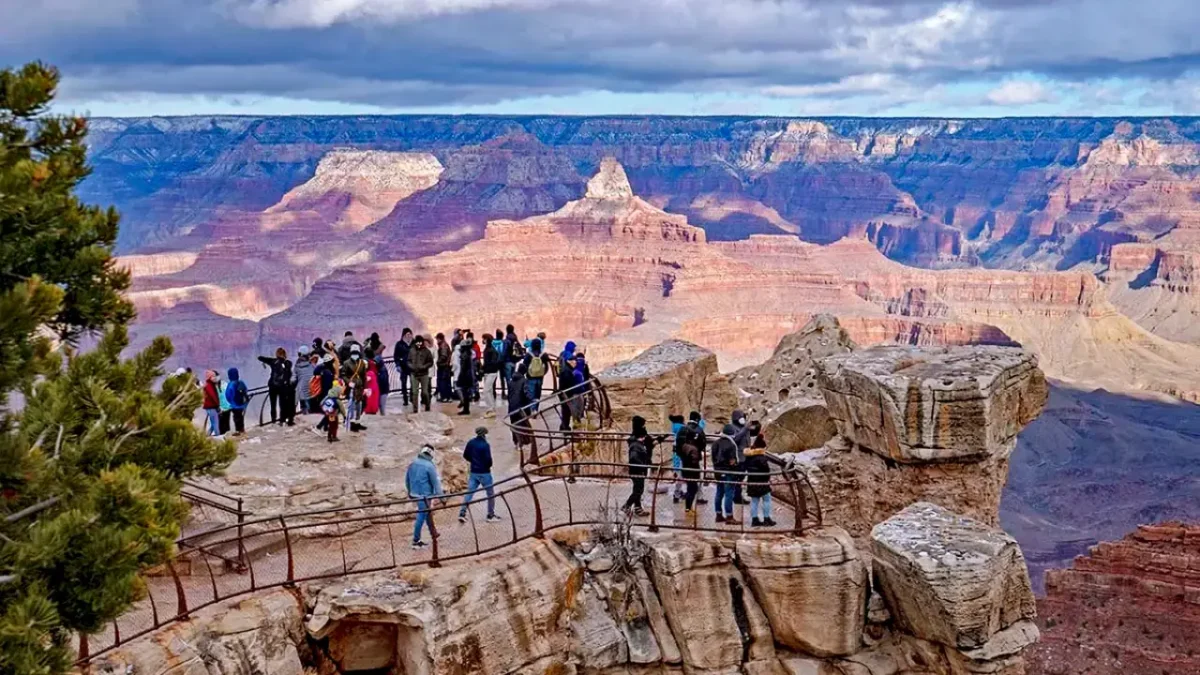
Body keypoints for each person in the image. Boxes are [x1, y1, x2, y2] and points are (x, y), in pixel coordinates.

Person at [458, 427, 501, 523]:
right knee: (490, 494)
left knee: (469, 493)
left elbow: (465, 455)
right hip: (485, 473)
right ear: (484, 434)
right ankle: (490, 515)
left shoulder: (471, 442)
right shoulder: (485, 445)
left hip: (474, 472)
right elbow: (489, 460)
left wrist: (473, 462)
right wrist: (487, 466)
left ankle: (462, 513)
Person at [405, 445, 445, 549]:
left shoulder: (413, 463)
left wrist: (410, 492)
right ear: (431, 454)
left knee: (427, 513)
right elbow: (436, 484)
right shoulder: (430, 466)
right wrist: (443, 498)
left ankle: (433, 533)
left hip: (414, 494)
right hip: (425, 496)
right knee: (421, 516)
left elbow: (407, 480)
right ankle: (416, 540)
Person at [743, 422, 775, 527]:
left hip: (752, 481)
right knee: (766, 499)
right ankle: (766, 519)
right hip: (762, 482)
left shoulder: (749, 456)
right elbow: (766, 470)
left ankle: (754, 519)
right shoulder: (762, 458)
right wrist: (768, 478)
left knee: (754, 501)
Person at [674, 413, 707, 515]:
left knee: (690, 485)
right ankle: (688, 508)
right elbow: (703, 444)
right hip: (694, 462)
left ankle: (688, 507)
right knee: (693, 487)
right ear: (697, 419)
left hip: (684, 461)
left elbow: (678, 447)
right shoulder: (698, 430)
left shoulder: (682, 429)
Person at [623, 416, 654, 517]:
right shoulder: (636, 444)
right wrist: (641, 465)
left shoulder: (637, 440)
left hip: (639, 469)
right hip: (638, 470)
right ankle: (627, 505)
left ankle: (638, 508)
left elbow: (649, 443)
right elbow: (634, 457)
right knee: (638, 490)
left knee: (638, 489)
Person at [711, 424, 741, 524]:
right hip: (729, 472)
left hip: (718, 472)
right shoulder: (731, 445)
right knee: (729, 494)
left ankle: (718, 514)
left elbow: (713, 458)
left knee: (719, 493)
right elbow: (732, 461)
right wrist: (737, 467)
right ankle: (729, 516)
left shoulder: (715, 443)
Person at [258, 347, 295, 426]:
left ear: (277, 354)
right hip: (283, 387)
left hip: (272, 386)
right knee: (282, 404)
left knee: (273, 404)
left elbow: (260, 358)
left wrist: (263, 361)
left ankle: (273, 420)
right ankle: (282, 420)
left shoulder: (273, 361)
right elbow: (289, 373)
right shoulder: (288, 363)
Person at [508, 365, 533, 449]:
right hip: (521, 407)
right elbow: (526, 394)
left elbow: (509, 395)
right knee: (523, 424)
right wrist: (532, 400)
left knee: (514, 424)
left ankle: (516, 442)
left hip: (512, 407)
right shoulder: (524, 381)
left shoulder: (511, 381)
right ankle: (522, 442)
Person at [522, 338, 551, 409]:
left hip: (531, 377)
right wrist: (543, 373)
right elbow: (547, 365)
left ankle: (532, 409)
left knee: (531, 394)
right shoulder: (543, 355)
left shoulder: (529, 355)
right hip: (540, 377)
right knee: (538, 394)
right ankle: (536, 409)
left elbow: (524, 365)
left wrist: (526, 374)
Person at [409, 335, 435, 412]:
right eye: (417, 342)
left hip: (424, 374)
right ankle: (415, 409)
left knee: (425, 392)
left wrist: (424, 366)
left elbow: (430, 362)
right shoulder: (412, 351)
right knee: (414, 392)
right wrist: (412, 366)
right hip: (414, 373)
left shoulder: (427, 351)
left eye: (420, 342)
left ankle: (427, 405)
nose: (419, 344)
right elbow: (408, 361)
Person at [481, 333, 502, 418]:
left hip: (491, 372)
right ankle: (492, 408)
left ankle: (490, 408)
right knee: (489, 391)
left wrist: (484, 367)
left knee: (486, 391)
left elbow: (492, 362)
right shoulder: (489, 349)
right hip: (488, 372)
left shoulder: (491, 350)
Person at [557, 353, 579, 431]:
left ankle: (564, 426)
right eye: (574, 361)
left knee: (566, 411)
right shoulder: (567, 371)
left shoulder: (567, 369)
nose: (575, 362)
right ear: (569, 361)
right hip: (565, 394)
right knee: (566, 411)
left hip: (564, 394)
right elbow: (567, 385)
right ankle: (565, 427)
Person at [224, 367, 249, 436]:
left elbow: (228, 395)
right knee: (240, 417)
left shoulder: (231, 384)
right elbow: (246, 391)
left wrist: (230, 402)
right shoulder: (241, 382)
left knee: (236, 418)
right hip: (242, 404)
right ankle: (242, 429)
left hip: (234, 405)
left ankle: (238, 430)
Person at [322, 377, 347, 443]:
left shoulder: (329, 396)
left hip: (328, 413)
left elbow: (322, 403)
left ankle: (329, 436)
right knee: (335, 426)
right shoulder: (337, 400)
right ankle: (334, 437)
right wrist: (344, 415)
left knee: (330, 425)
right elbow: (342, 409)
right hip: (334, 414)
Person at [456, 336, 476, 415]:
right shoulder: (469, 354)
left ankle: (466, 409)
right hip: (469, 376)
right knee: (466, 393)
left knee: (465, 394)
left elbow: (463, 368)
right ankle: (466, 408)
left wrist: (460, 378)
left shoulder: (464, 355)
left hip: (465, 377)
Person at [394, 328, 414, 408]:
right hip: (403, 367)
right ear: (404, 335)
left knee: (413, 383)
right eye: (407, 334)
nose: (409, 336)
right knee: (404, 383)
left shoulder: (415, 343)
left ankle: (412, 398)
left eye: (410, 334)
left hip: (412, 367)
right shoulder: (399, 344)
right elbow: (396, 356)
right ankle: (405, 399)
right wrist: (398, 365)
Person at [202, 370, 221, 436]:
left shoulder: (210, 385)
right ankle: (218, 436)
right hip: (211, 407)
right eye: (213, 376)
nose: (215, 378)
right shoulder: (209, 386)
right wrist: (217, 406)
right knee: (215, 422)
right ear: (210, 377)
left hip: (211, 407)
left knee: (214, 423)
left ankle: (207, 435)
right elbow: (213, 396)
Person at [435, 333, 453, 402]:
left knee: (443, 382)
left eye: (437, 339)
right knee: (447, 382)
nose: (437, 341)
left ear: (439, 339)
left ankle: (445, 397)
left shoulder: (443, 346)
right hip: (446, 366)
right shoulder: (445, 345)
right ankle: (448, 397)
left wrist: (438, 362)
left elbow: (443, 356)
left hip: (443, 367)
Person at [295, 345, 313, 414]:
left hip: (302, 388)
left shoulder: (298, 363)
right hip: (310, 387)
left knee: (303, 404)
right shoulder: (311, 362)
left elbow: (295, 376)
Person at [373, 344, 390, 415]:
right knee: (381, 406)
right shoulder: (382, 369)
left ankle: (383, 417)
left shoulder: (379, 370)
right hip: (383, 388)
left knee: (381, 406)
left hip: (382, 388)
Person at [364, 348, 381, 415]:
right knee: (373, 399)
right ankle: (372, 409)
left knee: (370, 399)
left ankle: (369, 409)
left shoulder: (369, 370)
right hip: (374, 385)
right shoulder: (373, 363)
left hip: (371, 386)